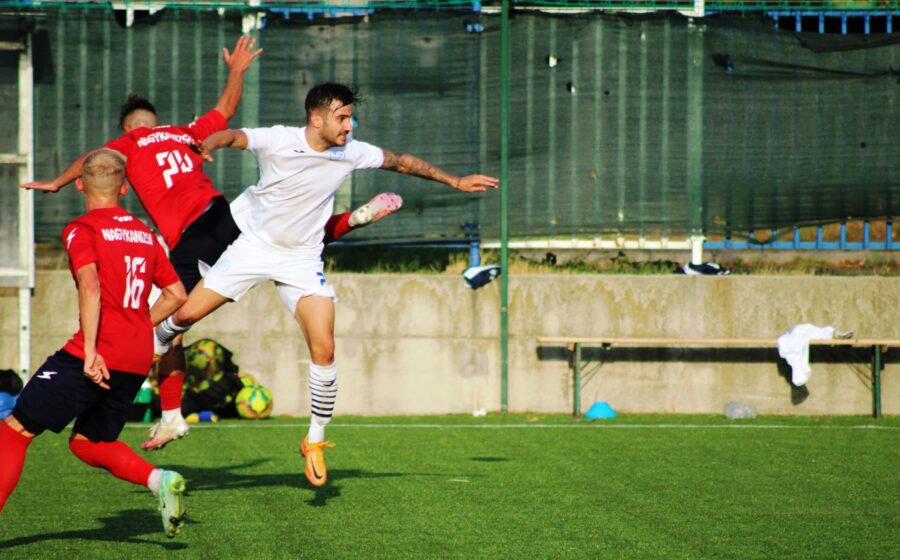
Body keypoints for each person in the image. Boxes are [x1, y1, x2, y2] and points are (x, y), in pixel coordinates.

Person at [22, 37, 401, 451]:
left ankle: (168, 415)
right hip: (225, 215)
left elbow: (95, 161)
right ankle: (350, 220)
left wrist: (58, 182)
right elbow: (225, 112)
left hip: (192, 238)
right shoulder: (182, 131)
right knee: (292, 233)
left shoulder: (129, 144)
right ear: (157, 121)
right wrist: (237, 71)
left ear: (129, 129)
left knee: (168, 321)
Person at [155, 82, 499, 488]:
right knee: (182, 317)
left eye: (351, 117)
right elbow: (233, 136)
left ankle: (315, 440)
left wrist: (455, 182)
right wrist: (207, 144)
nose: (349, 126)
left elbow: (401, 162)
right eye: (342, 117)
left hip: (302, 259)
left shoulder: (350, 151)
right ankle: (153, 345)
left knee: (326, 347)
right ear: (316, 119)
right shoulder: (280, 140)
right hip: (252, 248)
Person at [0, 150, 189, 538]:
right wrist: (138, 325)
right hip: (135, 356)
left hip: (96, 352)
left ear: (80, 185)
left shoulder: (81, 228)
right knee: (89, 443)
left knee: (14, 431)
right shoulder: (145, 235)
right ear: (124, 188)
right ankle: (159, 480)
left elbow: (90, 285)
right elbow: (177, 295)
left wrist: (89, 351)